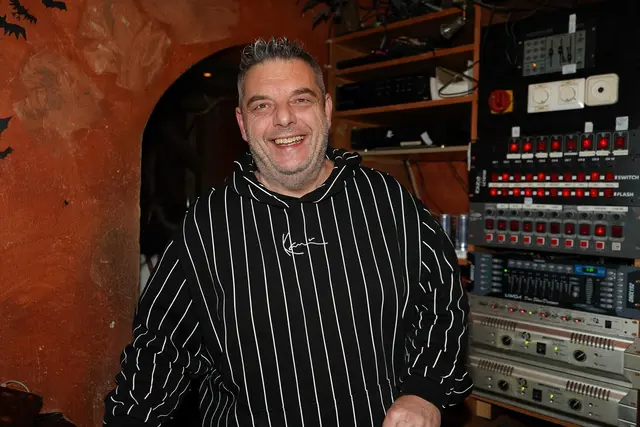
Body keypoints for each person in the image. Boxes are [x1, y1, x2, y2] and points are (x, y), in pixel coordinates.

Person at [103, 36, 473, 427]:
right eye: (262, 105)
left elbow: (443, 300)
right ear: (242, 124)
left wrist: (425, 391)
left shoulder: (387, 201)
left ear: (326, 110)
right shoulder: (208, 224)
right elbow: (160, 348)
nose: (283, 119)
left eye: (301, 99)